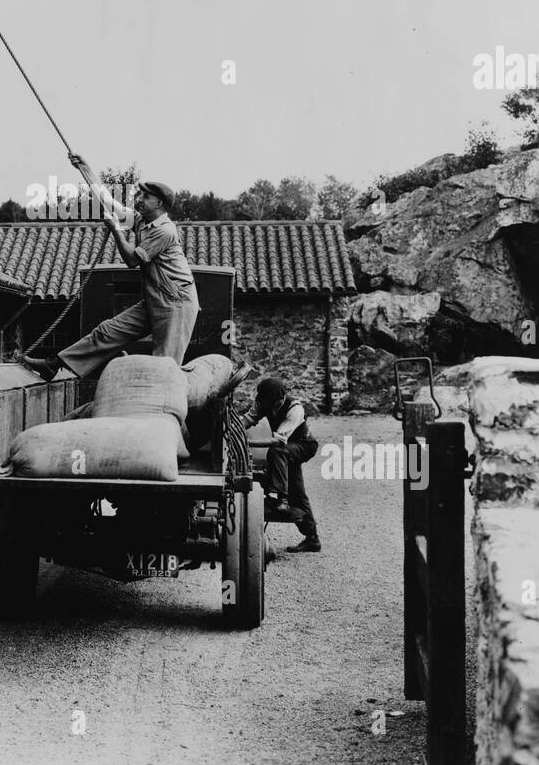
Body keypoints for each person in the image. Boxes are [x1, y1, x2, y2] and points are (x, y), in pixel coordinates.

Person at [20, 154, 200, 380]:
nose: (140, 199)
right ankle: (55, 364)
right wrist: (84, 168)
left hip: (177, 304)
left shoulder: (165, 230)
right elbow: (108, 201)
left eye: (145, 196)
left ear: (159, 203)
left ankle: (162, 412)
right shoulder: (142, 220)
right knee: (107, 331)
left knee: (164, 366)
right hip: (156, 298)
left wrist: (116, 230)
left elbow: (132, 261)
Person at [240, 375, 321, 553]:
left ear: (281, 398)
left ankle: (281, 499)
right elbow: (246, 420)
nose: (272, 408)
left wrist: (246, 444)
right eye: (268, 404)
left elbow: (278, 442)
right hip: (286, 451)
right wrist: (233, 431)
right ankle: (312, 539)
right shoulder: (263, 403)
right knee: (298, 493)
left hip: (303, 445)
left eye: (275, 404)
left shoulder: (295, 409)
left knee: (277, 452)